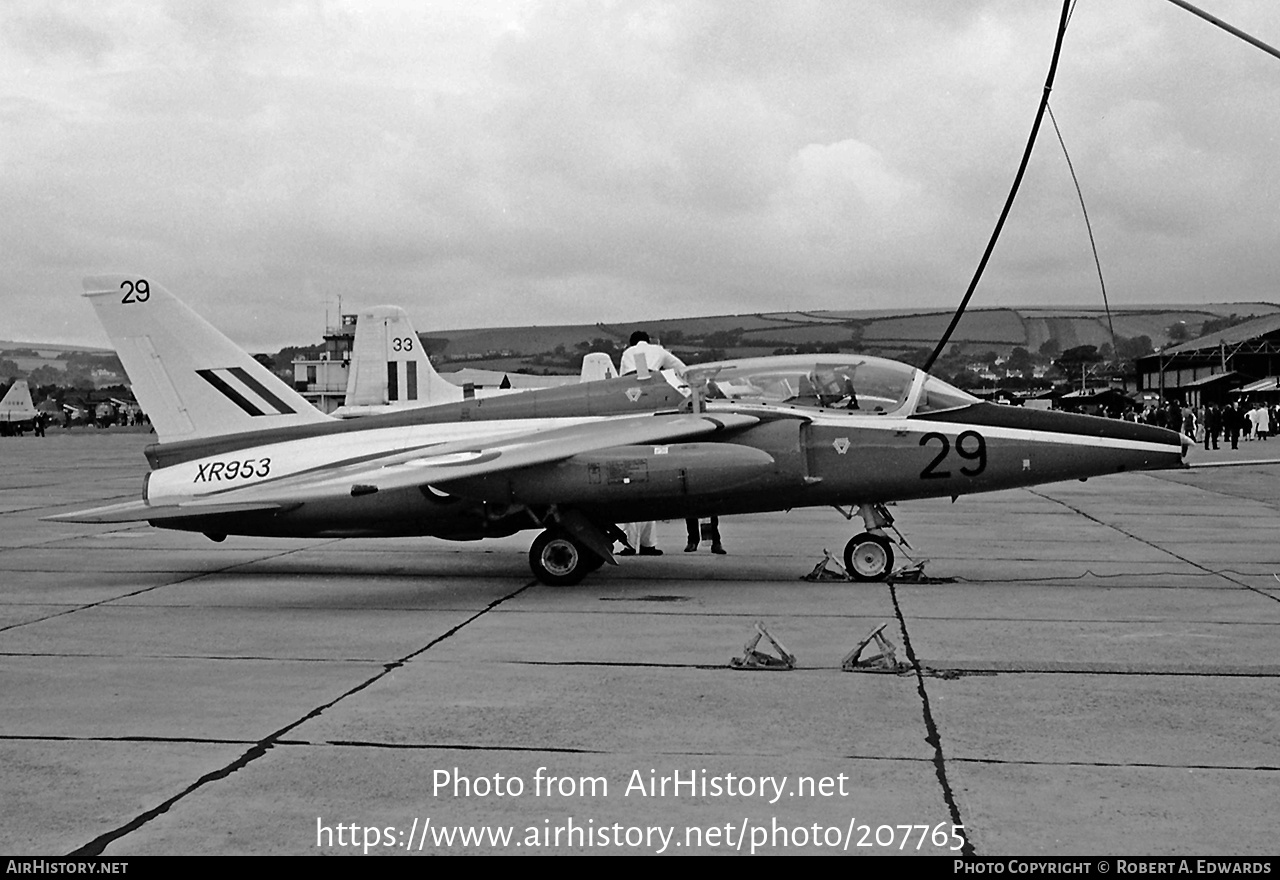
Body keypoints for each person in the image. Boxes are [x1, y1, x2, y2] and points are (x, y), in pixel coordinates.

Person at [619, 330, 688, 377]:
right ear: (648, 341)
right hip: (652, 378)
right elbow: (681, 368)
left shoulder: (627, 352)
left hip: (630, 381)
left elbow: (620, 377)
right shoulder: (658, 349)